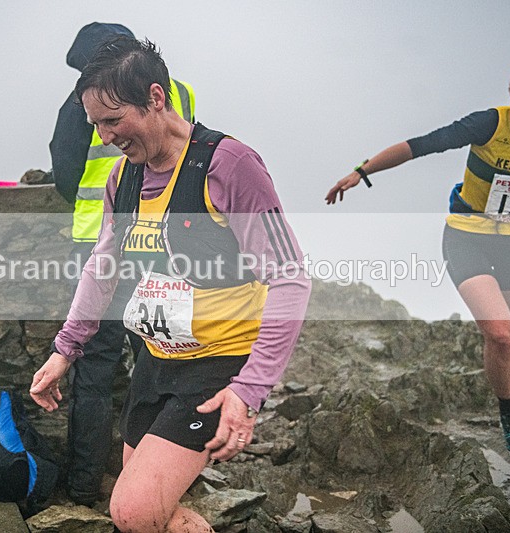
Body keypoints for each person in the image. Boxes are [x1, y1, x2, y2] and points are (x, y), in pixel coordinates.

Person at [31, 36, 311, 532]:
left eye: (113, 121)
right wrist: (64, 350)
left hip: (218, 367)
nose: (103, 137)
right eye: (95, 125)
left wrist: (248, 392)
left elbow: (290, 278)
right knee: (146, 514)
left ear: (155, 98)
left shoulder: (230, 166)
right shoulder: (125, 177)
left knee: (132, 511)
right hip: (155, 364)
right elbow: (103, 264)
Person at [325, 60, 510, 458]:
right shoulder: (491, 124)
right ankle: (509, 416)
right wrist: (363, 171)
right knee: (500, 333)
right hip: (468, 236)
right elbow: (423, 144)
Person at [48, 22, 197, 506]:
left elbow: (64, 167)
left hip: (99, 235)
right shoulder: (182, 93)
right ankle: (160, 479)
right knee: (154, 355)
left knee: (95, 368)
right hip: (155, 237)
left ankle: (86, 487)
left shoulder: (82, 106)